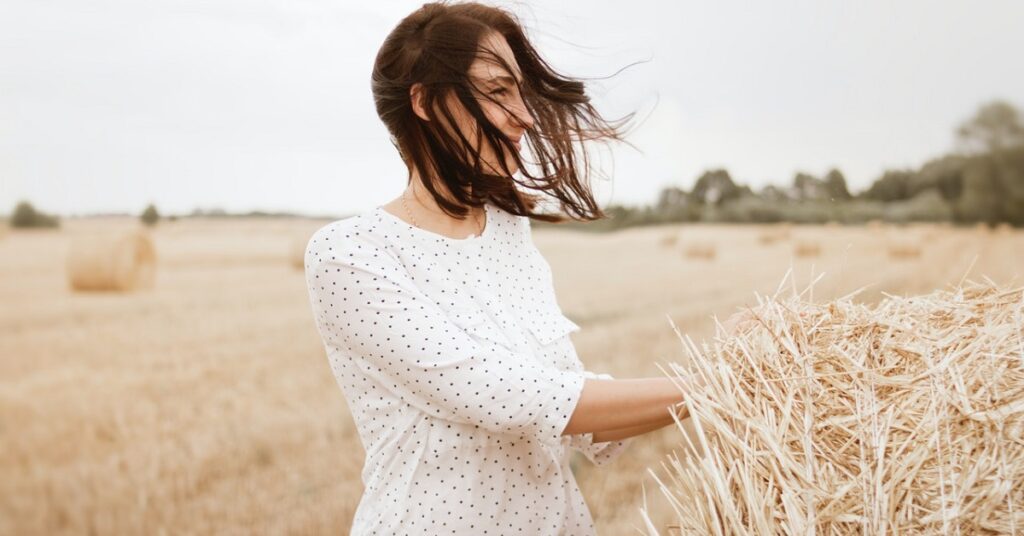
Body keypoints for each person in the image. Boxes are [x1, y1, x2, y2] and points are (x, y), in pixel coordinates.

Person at [303, 2, 700, 534]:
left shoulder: (509, 233)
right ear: (424, 101)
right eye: (497, 91)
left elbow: (567, 399)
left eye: (519, 91)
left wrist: (735, 375)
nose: (527, 116)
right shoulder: (350, 254)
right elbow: (513, 398)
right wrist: (712, 384)